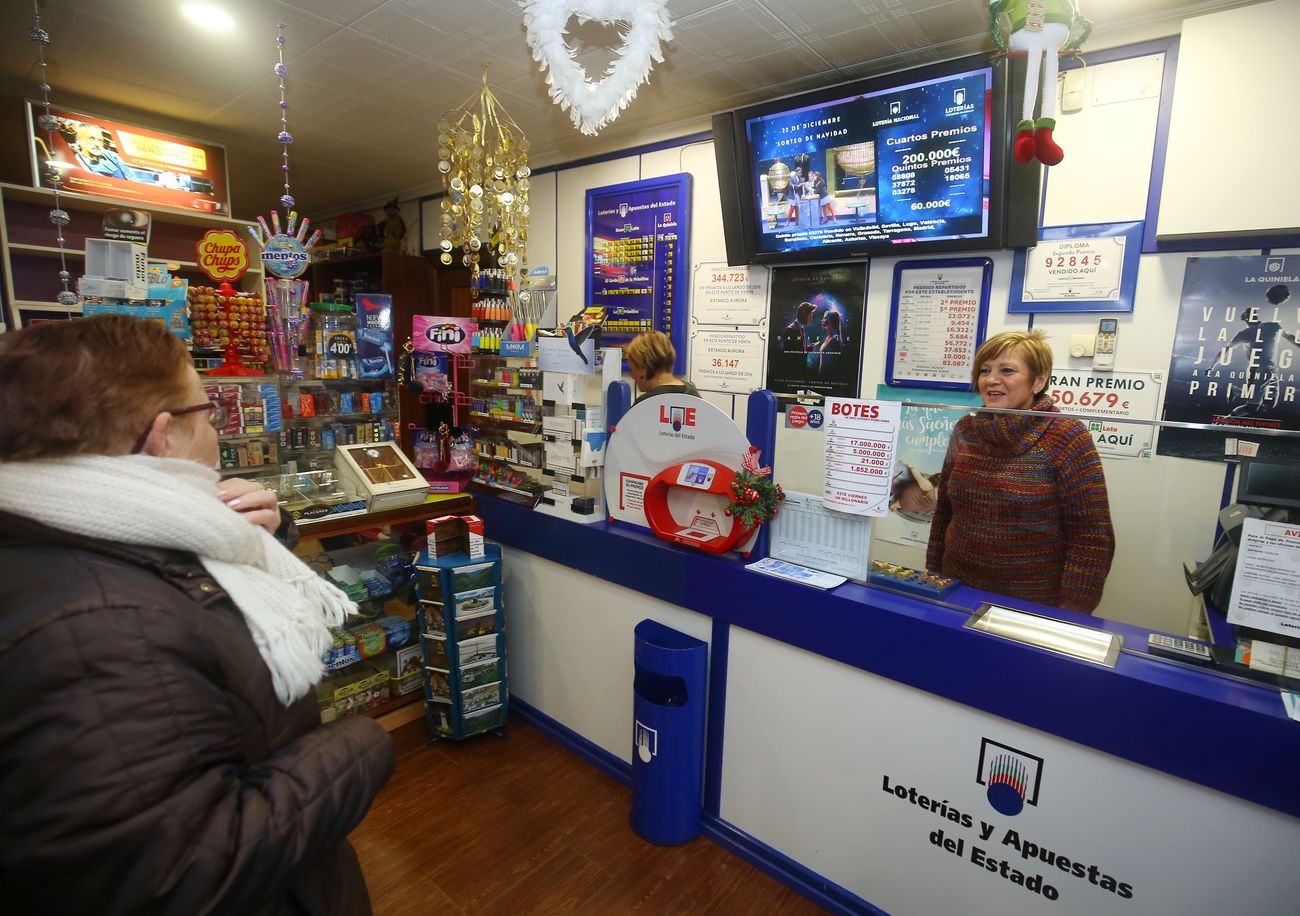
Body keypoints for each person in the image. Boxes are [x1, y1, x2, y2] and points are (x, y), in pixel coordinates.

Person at [0, 316, 395, 914]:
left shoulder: (76, 530)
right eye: (207, 412)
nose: (215, 429)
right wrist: (359, 746)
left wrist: (262, 538)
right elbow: (180, 873)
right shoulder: (98, 627)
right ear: (162, 436)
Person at [916, 330, 1114, 612]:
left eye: (1007, 370)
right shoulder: (965, 431)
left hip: (1031, 607)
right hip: (956, 594)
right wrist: (933, 577)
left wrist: (1071, 614)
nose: (991, 380)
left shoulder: (1067, 436)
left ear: (1039, 380)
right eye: (985, 370)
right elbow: (945, 511)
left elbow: (1091, 538)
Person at [624, 330, 700, 402]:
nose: (632, 376)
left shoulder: (645, 404)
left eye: (632, 369)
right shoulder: (692, 393)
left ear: (644, 368)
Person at [815, 310, 843, 374]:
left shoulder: (835, 338)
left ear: (831, 321)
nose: (822, 320)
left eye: (825, 318)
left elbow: (834, 363)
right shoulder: (828, 337)